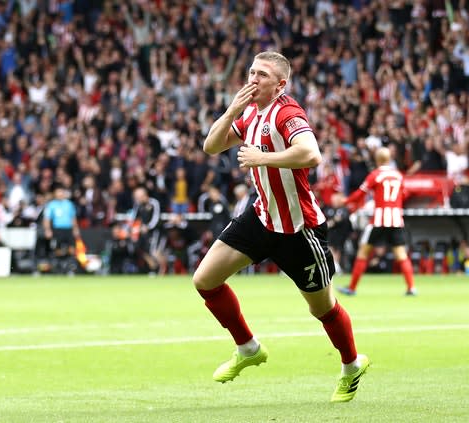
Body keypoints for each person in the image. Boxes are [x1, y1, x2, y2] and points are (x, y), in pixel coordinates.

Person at [193, 51, 369, 403]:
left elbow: (311, 153)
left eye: (261, 75)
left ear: (280, 84)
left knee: (322, 308)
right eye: (250, 72)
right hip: (261, 217)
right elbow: (211, 146)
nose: (253, 79)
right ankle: (248, 348)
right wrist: (231, 111)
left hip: (299, 230)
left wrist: (262, 158)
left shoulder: (287, 113)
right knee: (205, 280)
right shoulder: (250, 116)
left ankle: (351, 366)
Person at [337, 147, 416, 296]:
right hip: (396, 219)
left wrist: (346, 201)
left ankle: (352, 288)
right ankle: (411, 287)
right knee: (401, 254)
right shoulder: (398, 175)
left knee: (363, 252)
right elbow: (405, 193)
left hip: (379, 219)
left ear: (377, 160)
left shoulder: (375, 175)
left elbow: (361, 193)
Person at [43, 186, 80, 265]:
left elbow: (73, 217)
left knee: (72, 248)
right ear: (55, 194)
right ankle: (59, 265)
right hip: (57, 229)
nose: (60, 194)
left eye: (61, 192)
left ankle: (71, 266)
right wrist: (47, 229)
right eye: (58, 193)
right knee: (57, 249)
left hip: (68, 229)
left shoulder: (69, 204)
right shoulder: (52, 205)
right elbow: (47, 218)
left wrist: (75, 228)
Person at [131, 186, 164, 274]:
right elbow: (134, 218)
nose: (137, 199)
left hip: (156, 232)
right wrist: (134, 230)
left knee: (154, 252)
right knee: (144, 251)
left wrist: (148, 227)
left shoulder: (154, 203)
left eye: (139, 197)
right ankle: (153, 269)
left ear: (145, 195)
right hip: (143, 233)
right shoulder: (138, 205)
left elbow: (156, 218)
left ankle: (164, 270)